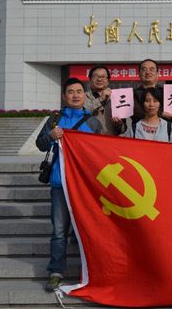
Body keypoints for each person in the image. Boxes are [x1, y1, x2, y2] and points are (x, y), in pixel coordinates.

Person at [35, 78, 102, 292]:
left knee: (88, 230)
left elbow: (101, 152)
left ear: (84, 95)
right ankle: (56, 272)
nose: (75, 95)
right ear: (64, 96)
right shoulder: (55, 120)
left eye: (79, 91)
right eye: (71, 92)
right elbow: (40, 144)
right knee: (59, 231)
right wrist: (50, 136)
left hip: (85, 185)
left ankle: (91, 271)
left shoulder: (93, 122)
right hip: (60, 182)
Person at [132, 59, 172, 125]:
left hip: (167, 129)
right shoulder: (133, 94)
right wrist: (161, 114)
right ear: (139, 74)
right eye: (144, 69)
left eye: (151, 69)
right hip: (140, 129)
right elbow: (136, 113)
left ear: (157, 74)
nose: (148, 72)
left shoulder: (166, 92)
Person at [84, 65, 126, 135]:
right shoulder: (82, 96)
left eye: (103, 77)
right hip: (89, 138)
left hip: (111, 140)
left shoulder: (117, 98)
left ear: (108, 81)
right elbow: (81, 113)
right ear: (90, 79)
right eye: (96, 76)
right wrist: (100, 100)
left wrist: (119, 125)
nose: (99, 79)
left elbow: (124, 129)